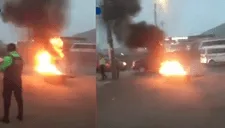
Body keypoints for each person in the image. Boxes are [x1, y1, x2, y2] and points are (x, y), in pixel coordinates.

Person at [0, 43, 23, 124]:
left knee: (7, 98)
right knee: (19, 98)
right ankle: (20, 115)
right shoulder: (20, 58)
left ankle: (6, 118)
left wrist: (1, 62)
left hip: (8, 80)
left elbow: (2, 68)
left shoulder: (8, 57)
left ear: (8, 49)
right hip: (18, 80)